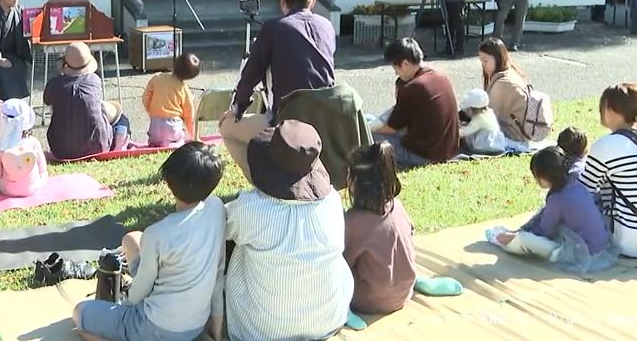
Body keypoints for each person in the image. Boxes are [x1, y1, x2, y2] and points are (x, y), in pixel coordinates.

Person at [73, 142, 226, 341]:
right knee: (131, 239)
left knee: (81, 312)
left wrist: (123, 312)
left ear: (170, 180)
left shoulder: (159, 233)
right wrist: (217, 326)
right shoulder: (216, 209)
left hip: (154, 326)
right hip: (195, 325)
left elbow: (139, 293)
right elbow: (218, 272)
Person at [225, 120, 353, 341]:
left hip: (259, 331)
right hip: (327, 321)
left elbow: (220, 230)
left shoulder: (249, 208)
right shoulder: (332, 201)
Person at [219, 0, 336, 181]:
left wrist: (237, 109)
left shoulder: (274, 28)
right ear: (313, 0)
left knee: (227, 128)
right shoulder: (327, 26)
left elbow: (251, 74)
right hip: (326, 117)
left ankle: (263, 182)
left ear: (282, 1)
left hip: (286, 118)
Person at [493, 147, 617, 274]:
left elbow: (543, 231)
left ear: (541, 177)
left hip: (584, 254)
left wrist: (517, 235)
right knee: (546, 214)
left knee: (524, 240)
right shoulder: (576, 185)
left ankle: (505, 239)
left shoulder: (556, 199)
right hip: (603, 246)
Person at [579, 83, 637, 259]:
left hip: (626, 243)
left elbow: (582, 192)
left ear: (611, 110)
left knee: (566, 200)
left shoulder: (607, 145)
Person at [344, 142, 416, 315]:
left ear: (355, 181)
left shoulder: (353, 222)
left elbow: (340, 263)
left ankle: (344, 313)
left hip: (368, 302)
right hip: (405, 293)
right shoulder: (398, 207)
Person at [370, 38, 460, 168]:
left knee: (366, 134)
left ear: (405, 63)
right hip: (447, 151)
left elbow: (390, 128)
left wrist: (366, 128)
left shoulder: (412, 87)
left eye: (396, 68)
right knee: (369, 119)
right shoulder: (442, 78)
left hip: (421, 156)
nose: (396, 73)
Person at [43, 42, 127, 161]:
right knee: (121, 118)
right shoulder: (94, 80)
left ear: (64, 63)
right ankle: (119, 144)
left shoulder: (54, 84)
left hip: (61, 150)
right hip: (98, 147)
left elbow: (47, 101)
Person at [0, 98, 48, 198]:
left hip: (7, 190)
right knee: (44, 173)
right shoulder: (33, 143)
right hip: (32, 188)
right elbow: (43, 169)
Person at [478, 37, 533, 145]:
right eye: (481, 61)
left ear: (498, 59)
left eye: (486, 61)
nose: (483, 66)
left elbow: (487, 115)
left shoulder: (503, 83)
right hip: (519, 132)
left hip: (513, 136)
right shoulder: (511, 73)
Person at [142, 52, 200, 147]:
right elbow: (189, 115)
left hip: (155, 125)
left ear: (175, 62)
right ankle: (173, 143)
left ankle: (157, 142)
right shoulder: (184, 89)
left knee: (155, 138)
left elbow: (146, 98)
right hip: (173, 127)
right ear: (190, 77)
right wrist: (194, 136)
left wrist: (151, 112)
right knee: (180, 140)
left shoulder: (157, 79)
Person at [458, 89, 506, 156]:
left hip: (487, 146)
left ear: (471, 110)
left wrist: (456, 130)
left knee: (467, 137)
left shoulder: (479, 118)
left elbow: (464, 132)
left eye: (467, 110)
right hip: (498, 144)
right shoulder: (489, 113)